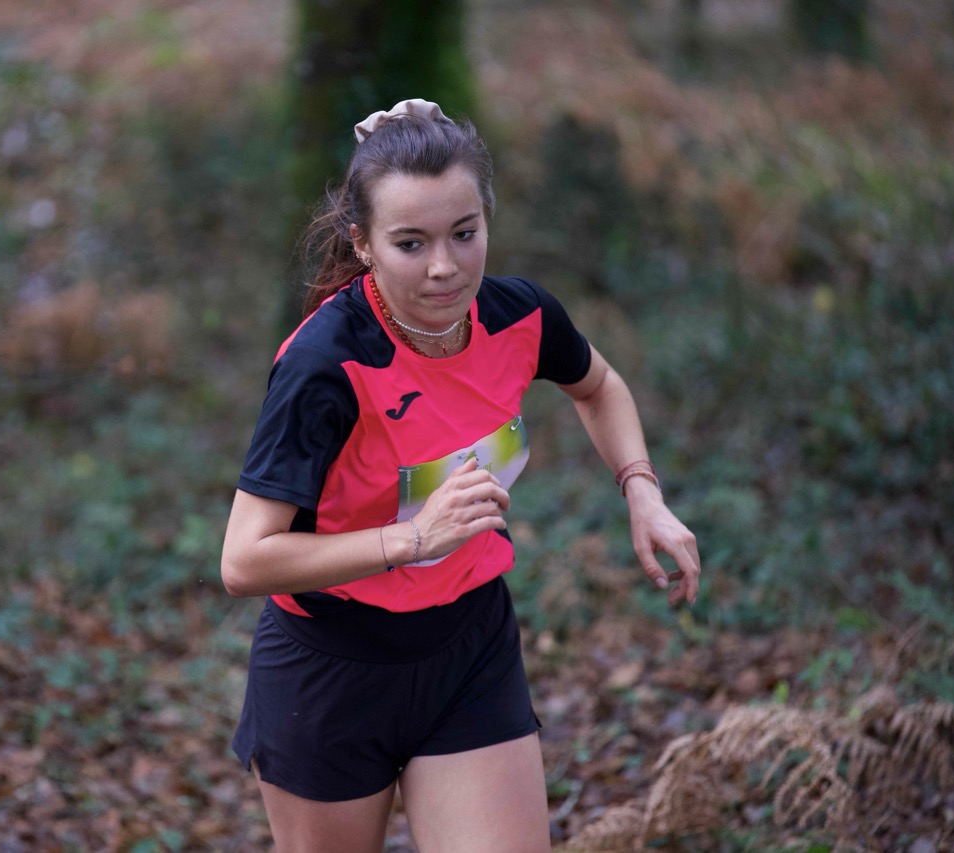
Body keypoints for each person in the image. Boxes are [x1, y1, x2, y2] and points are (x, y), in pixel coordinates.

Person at [220, 98, 701, 853]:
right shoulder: (325, 365)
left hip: (469, 649)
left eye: (464, 233)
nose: (445, 266)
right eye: (410, 243)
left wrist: (643, 493)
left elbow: (599, 387)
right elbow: (244, 560)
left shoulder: (520, 316)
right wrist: (414, 538)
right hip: (331, 669)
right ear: (363, 242)